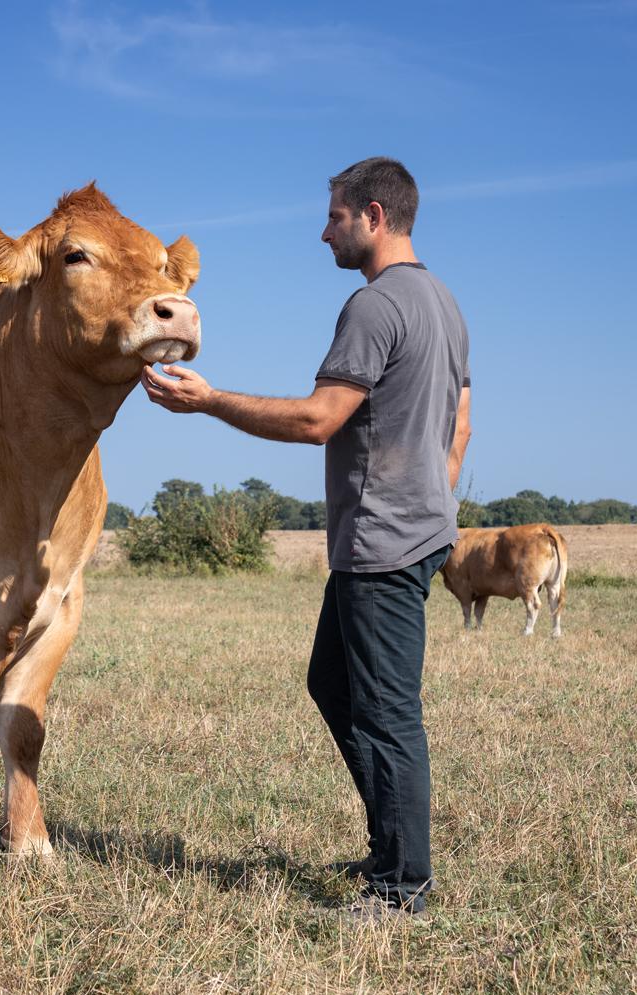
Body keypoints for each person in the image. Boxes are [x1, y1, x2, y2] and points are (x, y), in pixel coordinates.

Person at [140, 156, 472, 920]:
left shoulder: (376, 306)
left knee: (387, 712)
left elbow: (321, 418)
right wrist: (436, 502)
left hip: (382, 541)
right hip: (416, 531)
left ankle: (402, 888)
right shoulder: (445, 304)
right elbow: (461, 421)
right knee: (334, 685)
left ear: (375, 217)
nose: (323, 232)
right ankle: (392, 846)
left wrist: (211, 401)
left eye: (334, 217)